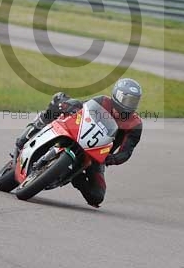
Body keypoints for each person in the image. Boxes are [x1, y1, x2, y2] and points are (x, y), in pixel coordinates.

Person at [14, 78, 143, 208]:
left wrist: (109, 159)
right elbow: (84, 107)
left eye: (133, 101)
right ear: (117, 95)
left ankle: (75, 176)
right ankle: (32, 131)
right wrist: (71, 107)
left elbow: (126, 152)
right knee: (59, 100)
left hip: (97, 155)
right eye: (126, 99)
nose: (129, 105)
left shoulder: (135, 124)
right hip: (76, 134)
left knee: (97, 196)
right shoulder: (103, 101)